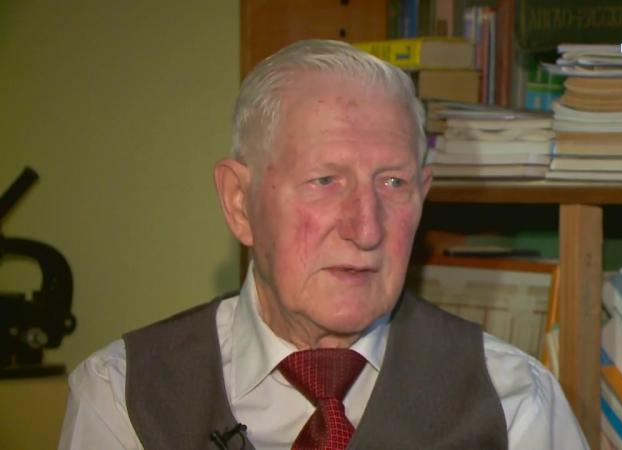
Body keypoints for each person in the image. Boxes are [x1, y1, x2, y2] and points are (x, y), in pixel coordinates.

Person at [58, 39, 588, 450]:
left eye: (393, 183)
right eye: (325, 181)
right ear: (240, 202)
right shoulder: (124, 395)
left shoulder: (514, 403)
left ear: (423, 197)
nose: (366, 229)